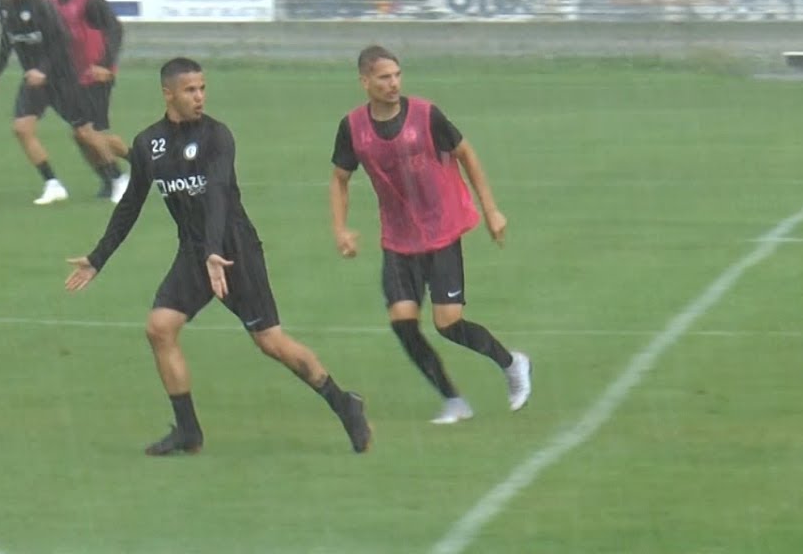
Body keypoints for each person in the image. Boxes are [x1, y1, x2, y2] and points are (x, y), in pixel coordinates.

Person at [65, 57, 372, 456]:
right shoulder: (148, 144)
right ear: (168, 93)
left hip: (235, 253)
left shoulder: (217, 137)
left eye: (202, 88)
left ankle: (344, 403)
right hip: (195, 255)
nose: (199, 97)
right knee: (159, 328)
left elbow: (217, 196)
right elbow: (130, 206)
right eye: (190, 90)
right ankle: (188, 432)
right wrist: (97, 258)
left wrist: (214, 253)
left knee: (271, 343)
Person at [328, 45, 531, 425]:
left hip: (442, 231)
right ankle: (454, 400)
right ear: (365, 81)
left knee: (448, 323)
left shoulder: (425, 115)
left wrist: (491, 210)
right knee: (402, 321)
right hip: (398, 240)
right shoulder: (352, 128)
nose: (393, 84)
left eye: (397, 75)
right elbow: (340, 179)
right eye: (384, 77)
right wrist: (341, 229)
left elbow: (467, 154)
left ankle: (512, 363)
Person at [0, 0, 109, 205]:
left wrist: (43, 70)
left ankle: (119, 179)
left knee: (84, 132)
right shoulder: (3, 4)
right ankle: (52, 184)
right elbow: (7, 37)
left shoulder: (39, 4)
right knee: (21, 129)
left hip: (61, 78)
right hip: (34, 80)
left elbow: (61, 40)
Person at [47, 0, 131, 200]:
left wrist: (106, 64)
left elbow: (115, 29)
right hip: (75, 77)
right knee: (82, 135)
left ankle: (119, 179)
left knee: (86, 132)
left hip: (98, 75)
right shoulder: (53, 3)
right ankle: (115, 176)